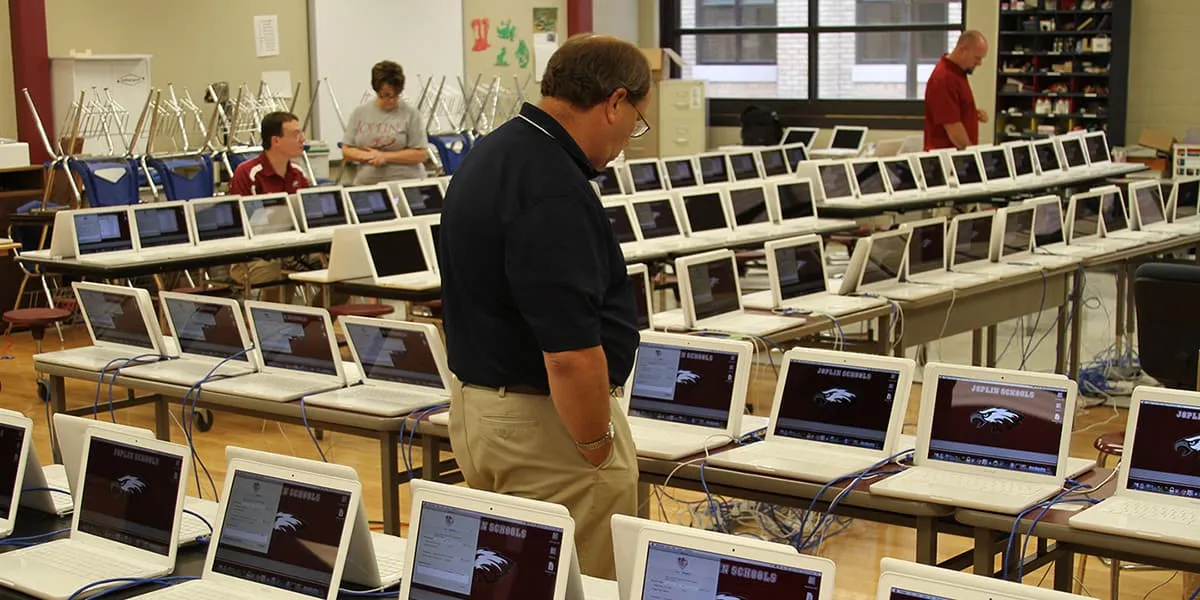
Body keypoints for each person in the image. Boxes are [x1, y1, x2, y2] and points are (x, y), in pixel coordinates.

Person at [437, 34, 650, 579]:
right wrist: (597, 445)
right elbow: (570, 353)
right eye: (637, 120)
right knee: (582, 581)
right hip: (544, 424)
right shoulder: (552, 186)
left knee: (514, 578)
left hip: (482, 409)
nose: (630, 136)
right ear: (615, 101)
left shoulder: (496, 150)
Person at [228, 111, 310, 298]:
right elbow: (242, 223)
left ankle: (313, 320)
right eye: (295, 134)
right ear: (276, 141)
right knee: (274, 272)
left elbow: (307, 216)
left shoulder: (298, 173)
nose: (302, 139)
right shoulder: (248, 173)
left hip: (291, 252)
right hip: (252, 258)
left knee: (338, 270)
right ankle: (271, 324)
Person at [341, 60, 428, 185]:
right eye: (385, 95)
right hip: (367, 183)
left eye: (395, 95)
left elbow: (421, 154)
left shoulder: (411, 114)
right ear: (377, 90)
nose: (391, 100)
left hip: (405, 181)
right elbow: (347, 150)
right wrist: (371, 156)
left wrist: (385, 157)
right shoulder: (360, 113)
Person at [924, 30, 989, 151]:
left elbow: (953, 108)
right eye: (977, 58)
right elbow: (953, 127)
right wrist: (972, 156)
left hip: (954, 156)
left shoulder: (957, 73)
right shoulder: (944, 78)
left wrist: (972, 113)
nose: (979, 63)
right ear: (962, 49)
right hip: (947, 160)